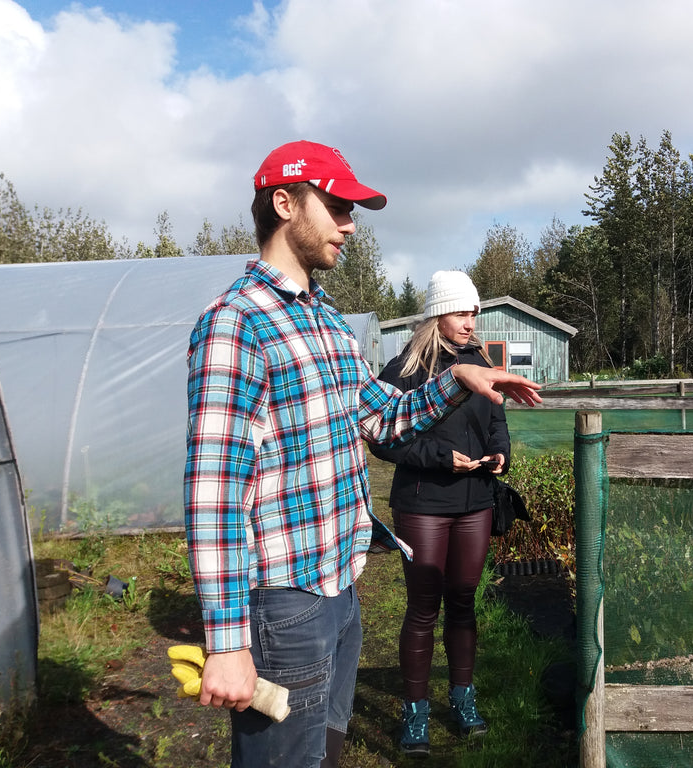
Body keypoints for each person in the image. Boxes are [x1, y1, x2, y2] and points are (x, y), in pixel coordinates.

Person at [183, 140, 542, 768]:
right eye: (340, 206)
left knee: (325, 749)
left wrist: (457, 382)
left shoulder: (326, 322)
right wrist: (227, 642)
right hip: (284, 597)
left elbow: (380, 417)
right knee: (285, 759)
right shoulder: (235, 324)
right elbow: (215, 491)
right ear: (285, 202)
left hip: (341, 584)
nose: (351, 225)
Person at [368, 270, 506, 757]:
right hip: (424, 505)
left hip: (475, 504)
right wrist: (437, 458)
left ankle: (463, 698)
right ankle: (416, 710)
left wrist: (499, 451)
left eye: (474, 313)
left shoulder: (479, 360)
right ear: (436, 315)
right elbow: (380, 438)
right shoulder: (405, 368)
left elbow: (496, 419)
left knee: (465, 602)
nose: (470, 323)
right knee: (423, 611)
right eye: (461, 313)